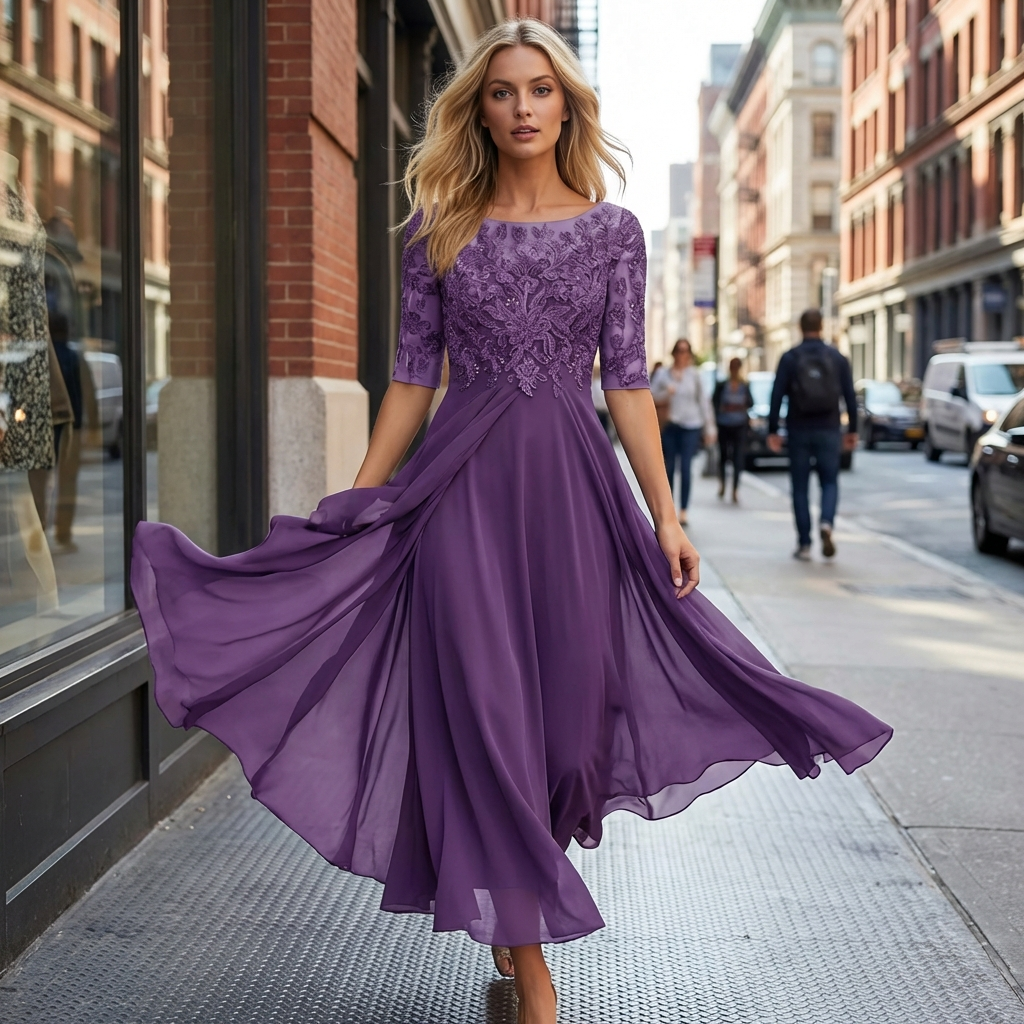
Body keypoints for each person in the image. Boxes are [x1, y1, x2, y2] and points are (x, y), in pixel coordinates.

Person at [131, 23, 891, 1024]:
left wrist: (666, 516)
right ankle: (535, 981)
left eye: (540, 89)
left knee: (568, 744)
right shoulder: (438, 227)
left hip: (574, 499)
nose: (523, 106)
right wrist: (361, 497)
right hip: (460, 500)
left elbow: (627, 383)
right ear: (479, 111)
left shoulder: (614, 233)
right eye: (502, 92)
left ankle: (510, 899)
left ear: (567, 105)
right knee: (486, 725)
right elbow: (412, 380)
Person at [767, 309, 858, 561]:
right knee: (829, 482)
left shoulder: (790, 357)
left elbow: (777, 395)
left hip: (799, 429)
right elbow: (850, 396)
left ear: (800, 327)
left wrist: (773, 430)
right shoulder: (837, 357)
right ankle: (826, 522)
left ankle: (804, 543)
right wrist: (852, 430)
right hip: (829, 428)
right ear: (822, 326)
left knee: (800, 488)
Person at [650, 339, 713, 525]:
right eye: (679, 350)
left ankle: (684, 510)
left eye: (685, 351)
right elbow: (650, 396)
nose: (682, 354)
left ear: (690, 354)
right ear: (674, 353)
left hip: (691, 426)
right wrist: (666, 393)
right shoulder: (663, 374)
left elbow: (704, 402)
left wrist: (710, 428)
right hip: (670, 425)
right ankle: (669, 510)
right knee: (668, 468)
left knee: (686, 468)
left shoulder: (695, 375)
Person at [712, 357, 753, 502]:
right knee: (724, 456)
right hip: (724, 424)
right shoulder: (722, 385)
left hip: (740, 425)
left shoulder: (744, 385)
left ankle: (735, 489)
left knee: (738, 458)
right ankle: (723, 483)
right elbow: (714, 402)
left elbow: (751, 402)